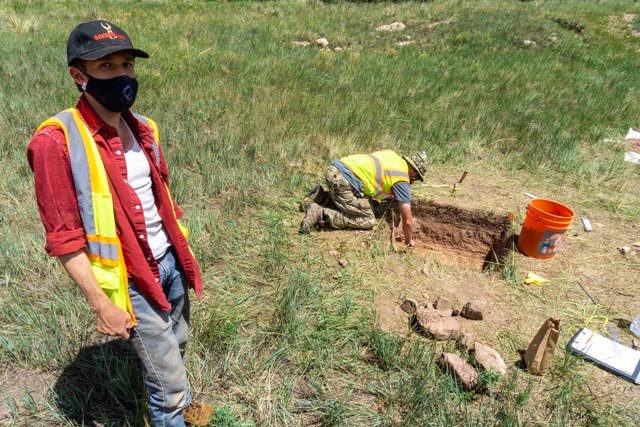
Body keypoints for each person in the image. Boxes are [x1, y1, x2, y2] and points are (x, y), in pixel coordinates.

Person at [27, 20, 212, 427]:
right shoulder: (55, 141)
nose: (122, 75)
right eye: (106, 67)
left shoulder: (143, 127)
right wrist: (101, 303)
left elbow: (160, 197)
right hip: (130, 277)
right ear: (79, 76)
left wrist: (180, 255)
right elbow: (64, 239)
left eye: (127, 64)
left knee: (177, 349)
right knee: (168, 383)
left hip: (170, 262)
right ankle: (173, 413)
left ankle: (181, 410)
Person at [299, 150, 428, 247]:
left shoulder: (392, 156)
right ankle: (321, 214)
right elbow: (408, 221)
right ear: (414, 172)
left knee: (363, 203)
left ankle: (321, 197)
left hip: (336, 170)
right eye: (416, 178)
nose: (413, 181)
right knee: (367, 219)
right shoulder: (402, 178)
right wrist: (408, 241)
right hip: (343, 181)